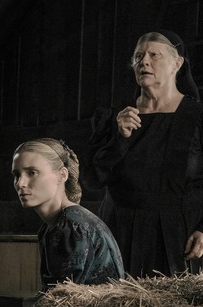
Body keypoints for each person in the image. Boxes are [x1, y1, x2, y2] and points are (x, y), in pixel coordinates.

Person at [87, 30, 203, 277]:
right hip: (119, 231)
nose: (144, 62)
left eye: (154, 55)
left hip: (178, 235)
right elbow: (92, 178)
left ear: (177, 63)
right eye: (138, 57)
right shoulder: (114, 118)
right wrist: (119, 139)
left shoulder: (196, 116)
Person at [13, 138, 125, 288]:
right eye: (16, 175)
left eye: (32, 172)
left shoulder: (72, 226)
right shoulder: (52, 226)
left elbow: (64, 299)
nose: (21, 183)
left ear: (62, 175)